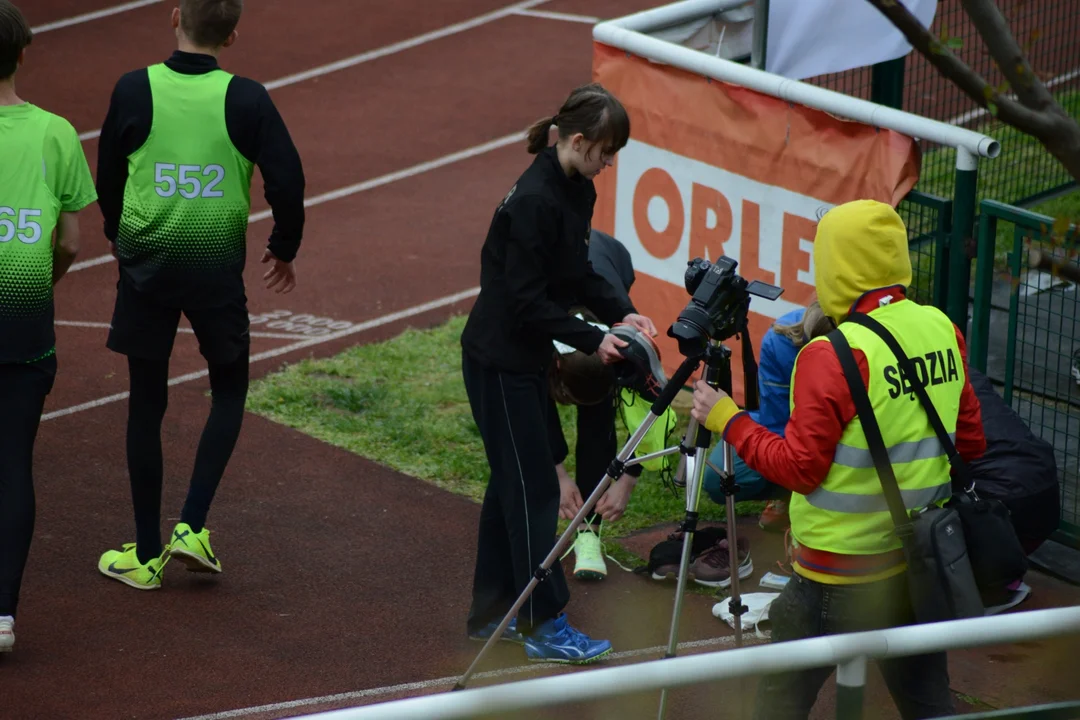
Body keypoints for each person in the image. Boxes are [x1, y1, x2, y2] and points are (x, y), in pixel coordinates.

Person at [691, 199, 986, 719]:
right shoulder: (943, 327)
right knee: (930, 707)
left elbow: (798, 469)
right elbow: (970, 446)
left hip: (834, 576)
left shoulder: (830, 353)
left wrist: (728, 419)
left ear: (836, 266)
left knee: (777, 707)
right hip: (917, 564)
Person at [94, 0, 306, 590]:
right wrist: (284, 246)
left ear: (174, 17)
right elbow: (287, 179)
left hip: (146, 266)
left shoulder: (134, 89)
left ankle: (143, 554)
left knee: (146, 400)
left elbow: (107, 174)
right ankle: (191, 526)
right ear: (233, 34)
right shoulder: (248, 98)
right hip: (216, 270)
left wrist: (120, 235)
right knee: (230, 386)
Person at [459, 83, 657, 664]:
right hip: (499, 362)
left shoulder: (576, 188)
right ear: (577, 141)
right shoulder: (534, 202)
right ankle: (544, 623)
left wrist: (619, 308)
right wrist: (599, 339)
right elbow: (525, 304)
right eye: (606, 151)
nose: (610, 162)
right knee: (534, 491)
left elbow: (572, 273)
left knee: (510, 485)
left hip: (519, 358)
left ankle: (492, 612)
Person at [0, 0, 98, 653]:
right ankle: (2, 614)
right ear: (25, 53)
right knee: (12, 464)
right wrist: (44, 278)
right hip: (23, 319)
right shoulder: (56, 133)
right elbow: (70, 238)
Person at [546, 230, 672, 581]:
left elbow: (654, 410)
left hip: (612, 260)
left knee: (597, 423)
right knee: (534, 404)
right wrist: (557, 474)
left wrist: (627, 479)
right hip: (551, 298)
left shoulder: (626, 350)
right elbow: (534, 411)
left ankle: (588, 531)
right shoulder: (535, 327)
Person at [701, 302, 834, 533]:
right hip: (793, 431)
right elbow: (778, 428)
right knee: (718, 479)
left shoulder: (866, 343)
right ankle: (789, 494)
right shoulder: (782, 341)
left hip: (846, 438)